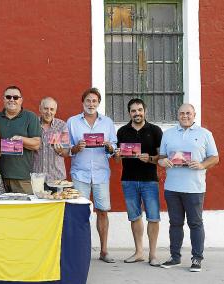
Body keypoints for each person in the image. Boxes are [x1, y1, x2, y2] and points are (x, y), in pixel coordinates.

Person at [158, 104, 219, 272]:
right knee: (175, 223)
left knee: (195, 223)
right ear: (177, 115)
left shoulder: (205, 134)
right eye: (182, 113)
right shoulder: (168, 134)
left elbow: (215, 158)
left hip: (195, 188)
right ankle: (175, 257)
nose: (185, 116)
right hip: (172, 187)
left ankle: (197, 258)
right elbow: (162, 157)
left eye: (188, 113)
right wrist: (162, 161)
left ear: (194, 115)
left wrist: (201, 164)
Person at [67, 87, 117, 263]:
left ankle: (103, 251)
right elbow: (67, 148)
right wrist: (76, 148)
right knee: (80, 213)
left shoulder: (107, 122)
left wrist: (110, 146)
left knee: (102, 211)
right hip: (80, 174)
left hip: (101, 174)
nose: (91, 104)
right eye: (88, 100)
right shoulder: (72, 122)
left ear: (98, 103)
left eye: (94, 101)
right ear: (83, 102)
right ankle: (80, 251)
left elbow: (114, 148)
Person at [115, 98, 162, 267]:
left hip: (150, 181)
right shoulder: (122, 131)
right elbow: (116, 160)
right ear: (129, 113)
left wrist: (149, 158)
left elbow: (161, 158)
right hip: (128, 180)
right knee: (134, 217)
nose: (137, 113)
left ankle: (153, 254)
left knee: (153, 218)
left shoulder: (155, 131)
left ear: (145, 111)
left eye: (140, 110)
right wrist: (117, 156)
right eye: (133, 111)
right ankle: (139, 252)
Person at [0, 86, 41, 193]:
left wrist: (21, 139)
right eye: (8, 97)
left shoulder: (30, 117)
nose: (12, 100)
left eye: (15, 97)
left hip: (22, 176)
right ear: (3, 99)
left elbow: (37, 144)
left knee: (24, 209)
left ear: (21, 100)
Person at [33, 97, 69, 181]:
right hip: (37, 178)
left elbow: (66, 152)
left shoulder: (62, 125)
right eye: (46, 109)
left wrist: (60, 151)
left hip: (57, 177)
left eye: (52, 109)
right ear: (40, 109)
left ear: (55, 111)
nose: (49, 112)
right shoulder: (33, 124)